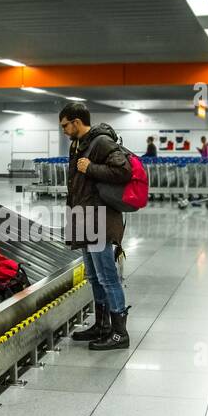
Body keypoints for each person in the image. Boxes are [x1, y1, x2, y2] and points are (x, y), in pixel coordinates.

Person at [59, 102, 133, 350]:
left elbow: (123, 171)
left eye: (65, 125)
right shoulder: (77, 144)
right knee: (93, 276)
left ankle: (119, 333)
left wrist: (91, 167)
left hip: (100, 218)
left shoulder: (100, 142)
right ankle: (102, 325)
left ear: (77, 122)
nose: (64, 130)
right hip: (84, 218)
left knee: (107, 276)